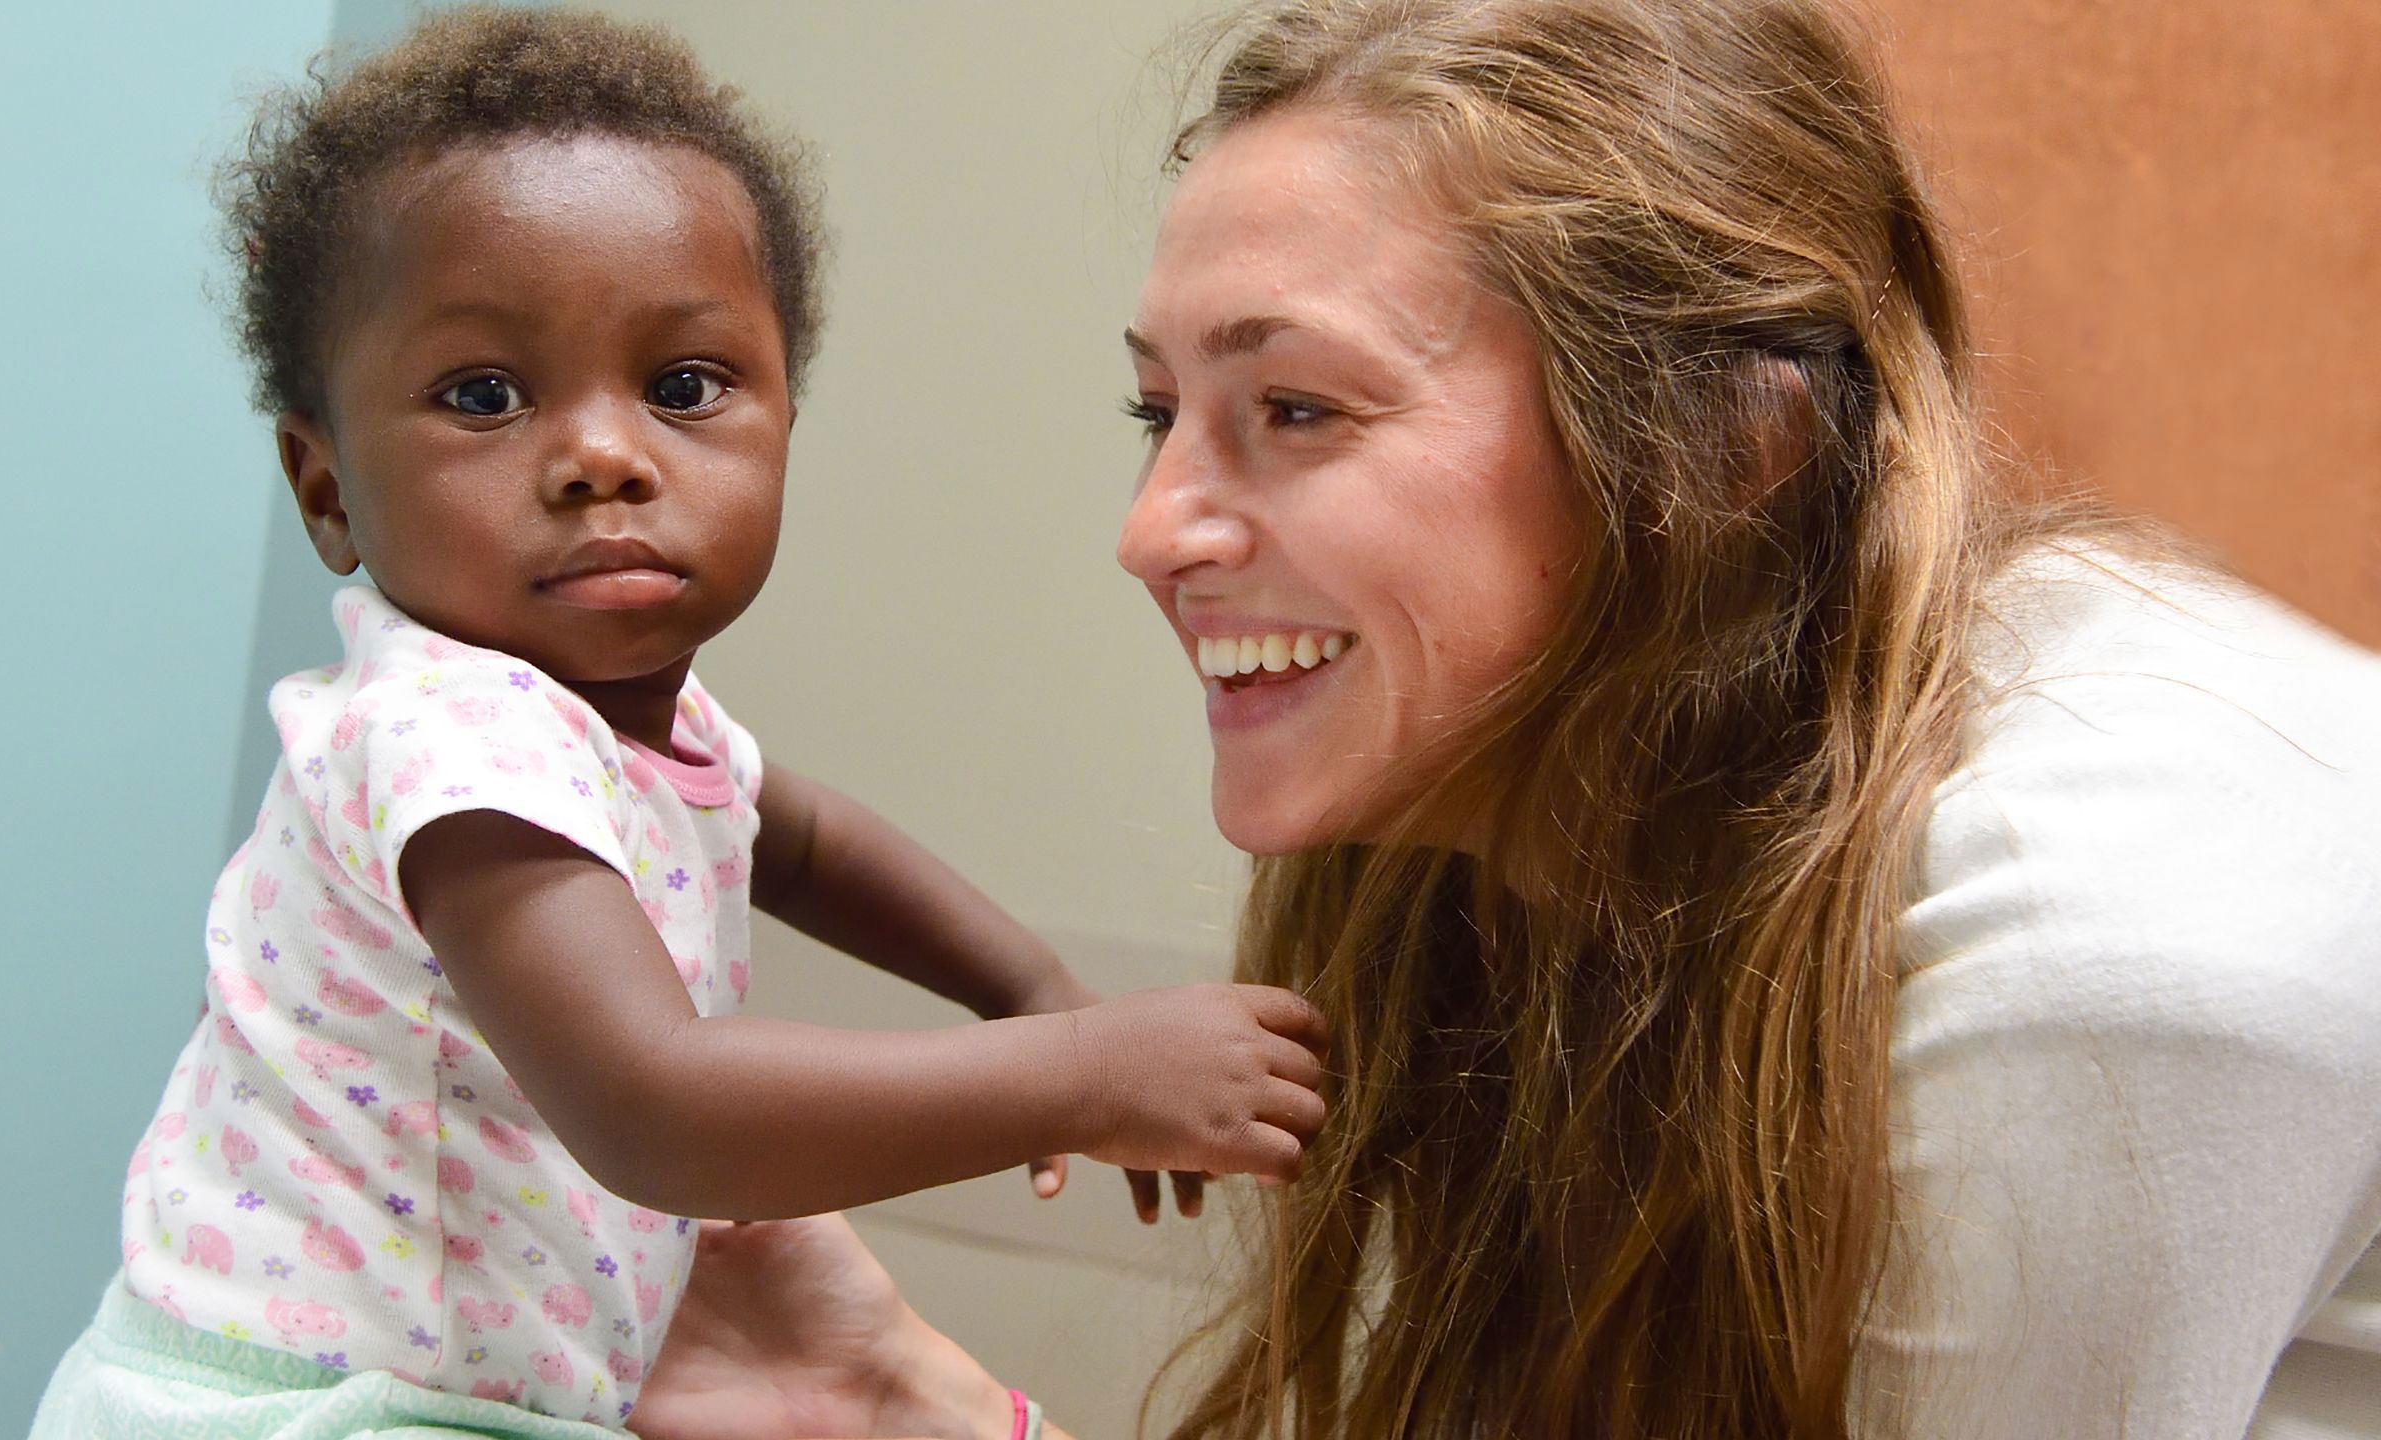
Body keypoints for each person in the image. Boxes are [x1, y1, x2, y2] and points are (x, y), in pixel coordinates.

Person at [633, 0, 2381, 1436]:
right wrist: (905, 1406)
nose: (1151, 530)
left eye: (1296, 407)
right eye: (1156, 409)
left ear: (1719, 453)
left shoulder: (2093, 962)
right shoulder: (1554, 837)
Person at [26, 11, 1333, 1438]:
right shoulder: (445, 741)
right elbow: (661, 1108)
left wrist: (1028, 985)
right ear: (326, 488)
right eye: (484, 396)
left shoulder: (621, 724)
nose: (603, 455)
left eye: (683, 386)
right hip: (312, 1410)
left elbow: (805, 838)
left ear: (784, 415)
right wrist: (1080, 1075)